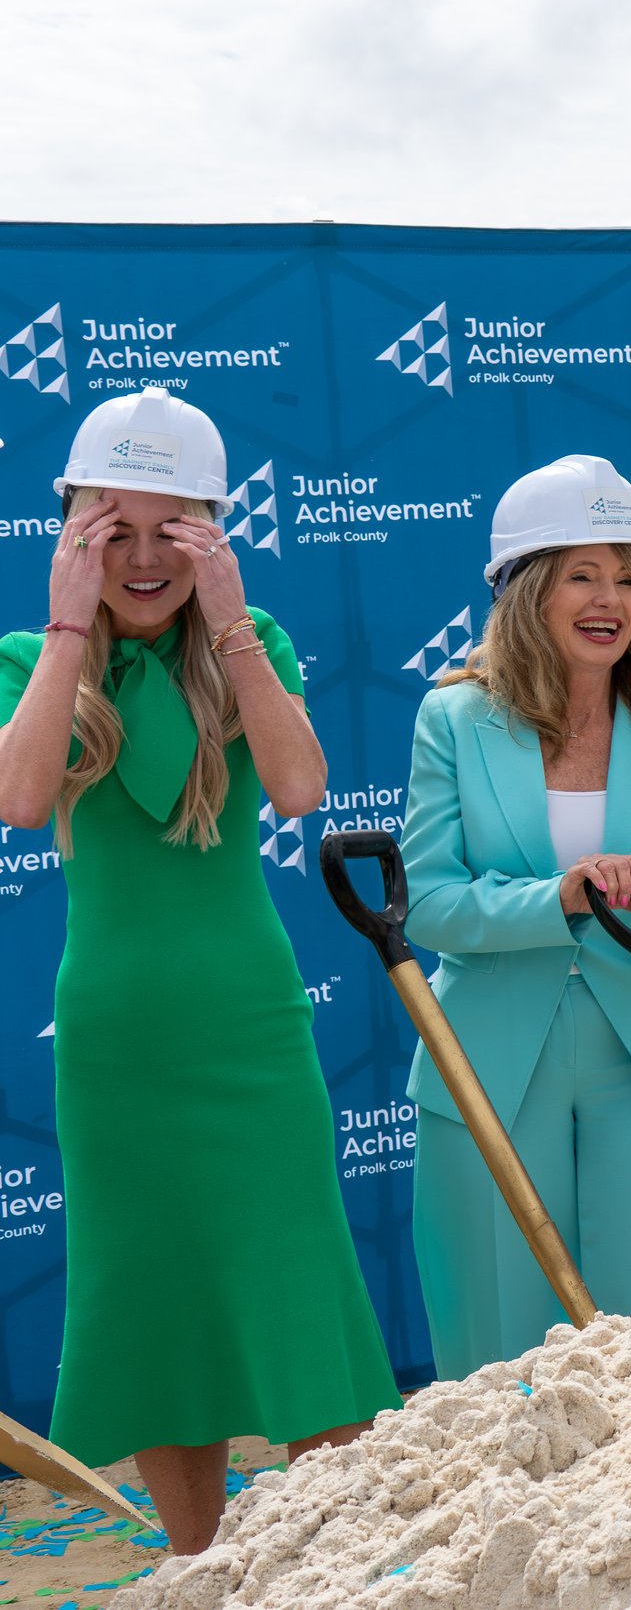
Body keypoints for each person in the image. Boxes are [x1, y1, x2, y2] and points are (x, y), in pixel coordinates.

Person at [0, 389, 398, 1553]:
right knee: (154, 1297)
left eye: (167, 532)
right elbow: (20, 799)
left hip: (250, 1029)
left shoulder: (249, 643)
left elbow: (300, 786)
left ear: (212, 533)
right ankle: (199, 1560)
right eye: (110, 531)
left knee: (296, 1285)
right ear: (71, 531)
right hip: (118, 1044)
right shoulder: (31, 657)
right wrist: (69, 628)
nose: (139, 559)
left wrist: (227, 620)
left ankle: (354, 1554)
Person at [400, 454, 631, 1379]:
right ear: (526, 592)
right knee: (502, 1358)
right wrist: (558, 898)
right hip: (490, 1066)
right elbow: (426, 901)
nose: (612, 599)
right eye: (581, 575)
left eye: (628, 577)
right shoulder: (455, 719)